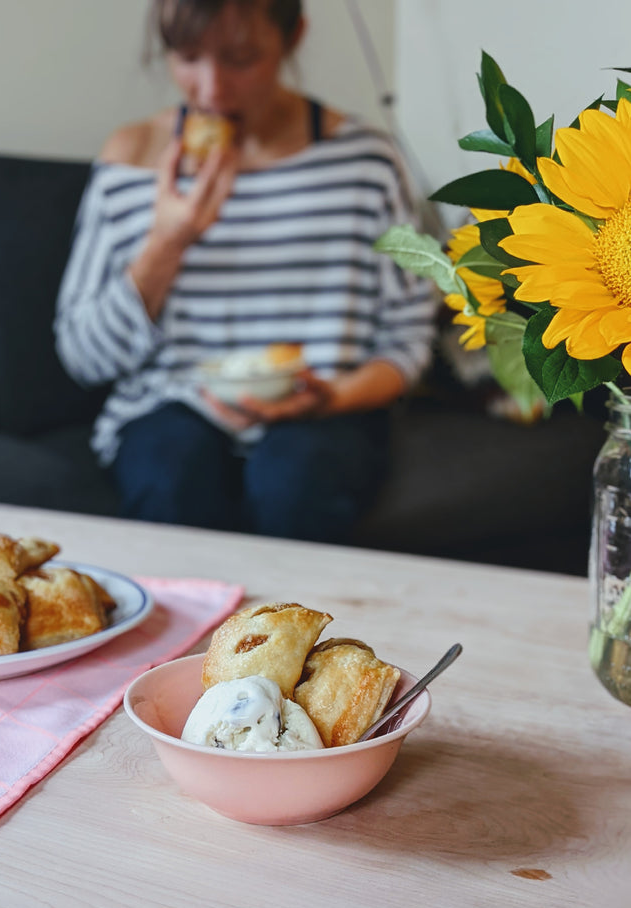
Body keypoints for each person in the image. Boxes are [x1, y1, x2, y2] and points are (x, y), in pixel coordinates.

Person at [54, 0, 436, 543]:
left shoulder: (366, 162)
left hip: (325, 408)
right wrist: (168, 241)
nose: (210, 90)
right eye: (187, 57)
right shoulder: (131, 158)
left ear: (294, 37)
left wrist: (336, 395)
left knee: (295, 480)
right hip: (171, 404)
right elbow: (84, 358)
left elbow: (407, 334)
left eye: (241, 58)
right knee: (171, 474)